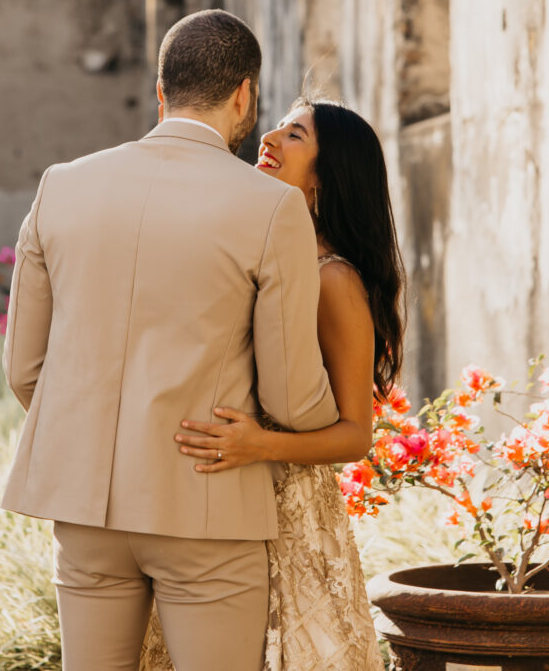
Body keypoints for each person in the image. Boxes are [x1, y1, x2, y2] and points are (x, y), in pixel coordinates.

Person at [1, 9, 340, 671]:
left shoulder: (61, 185)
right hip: (206, 501)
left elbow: (24, 368)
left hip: (85, 505)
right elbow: (293, 399)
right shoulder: (272, 207)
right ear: (244, 93)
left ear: (160, 92)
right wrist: (348, 417)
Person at [141, 96, 404, 671]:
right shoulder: (249, 248)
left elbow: (357, 435)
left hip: (288, 519)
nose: (270, 138)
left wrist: (259, 444)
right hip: (210, 505)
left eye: (295, 136)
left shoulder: (333, 280)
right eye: (279, 126)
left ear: (325, 178)